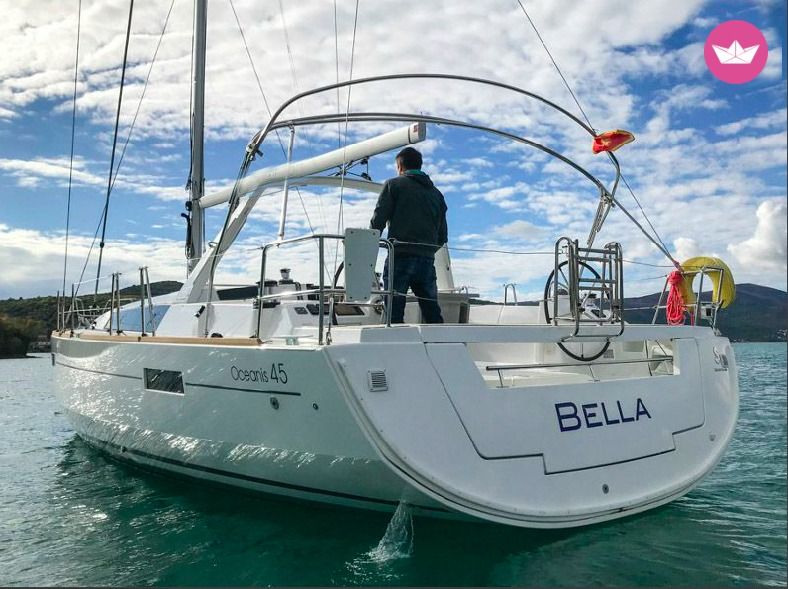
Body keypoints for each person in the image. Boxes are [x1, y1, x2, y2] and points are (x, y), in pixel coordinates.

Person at [370, 146, 448, 324]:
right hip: (427, 261)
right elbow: (442, 236)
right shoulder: (437, 195)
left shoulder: (393, 185)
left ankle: (396, 350)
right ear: (419, 166)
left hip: (400, 257)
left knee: (394, 313)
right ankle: (439, 347)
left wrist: (366, 248)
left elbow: (377, 223)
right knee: (432, 312)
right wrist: (426, 251)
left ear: (400, 167)